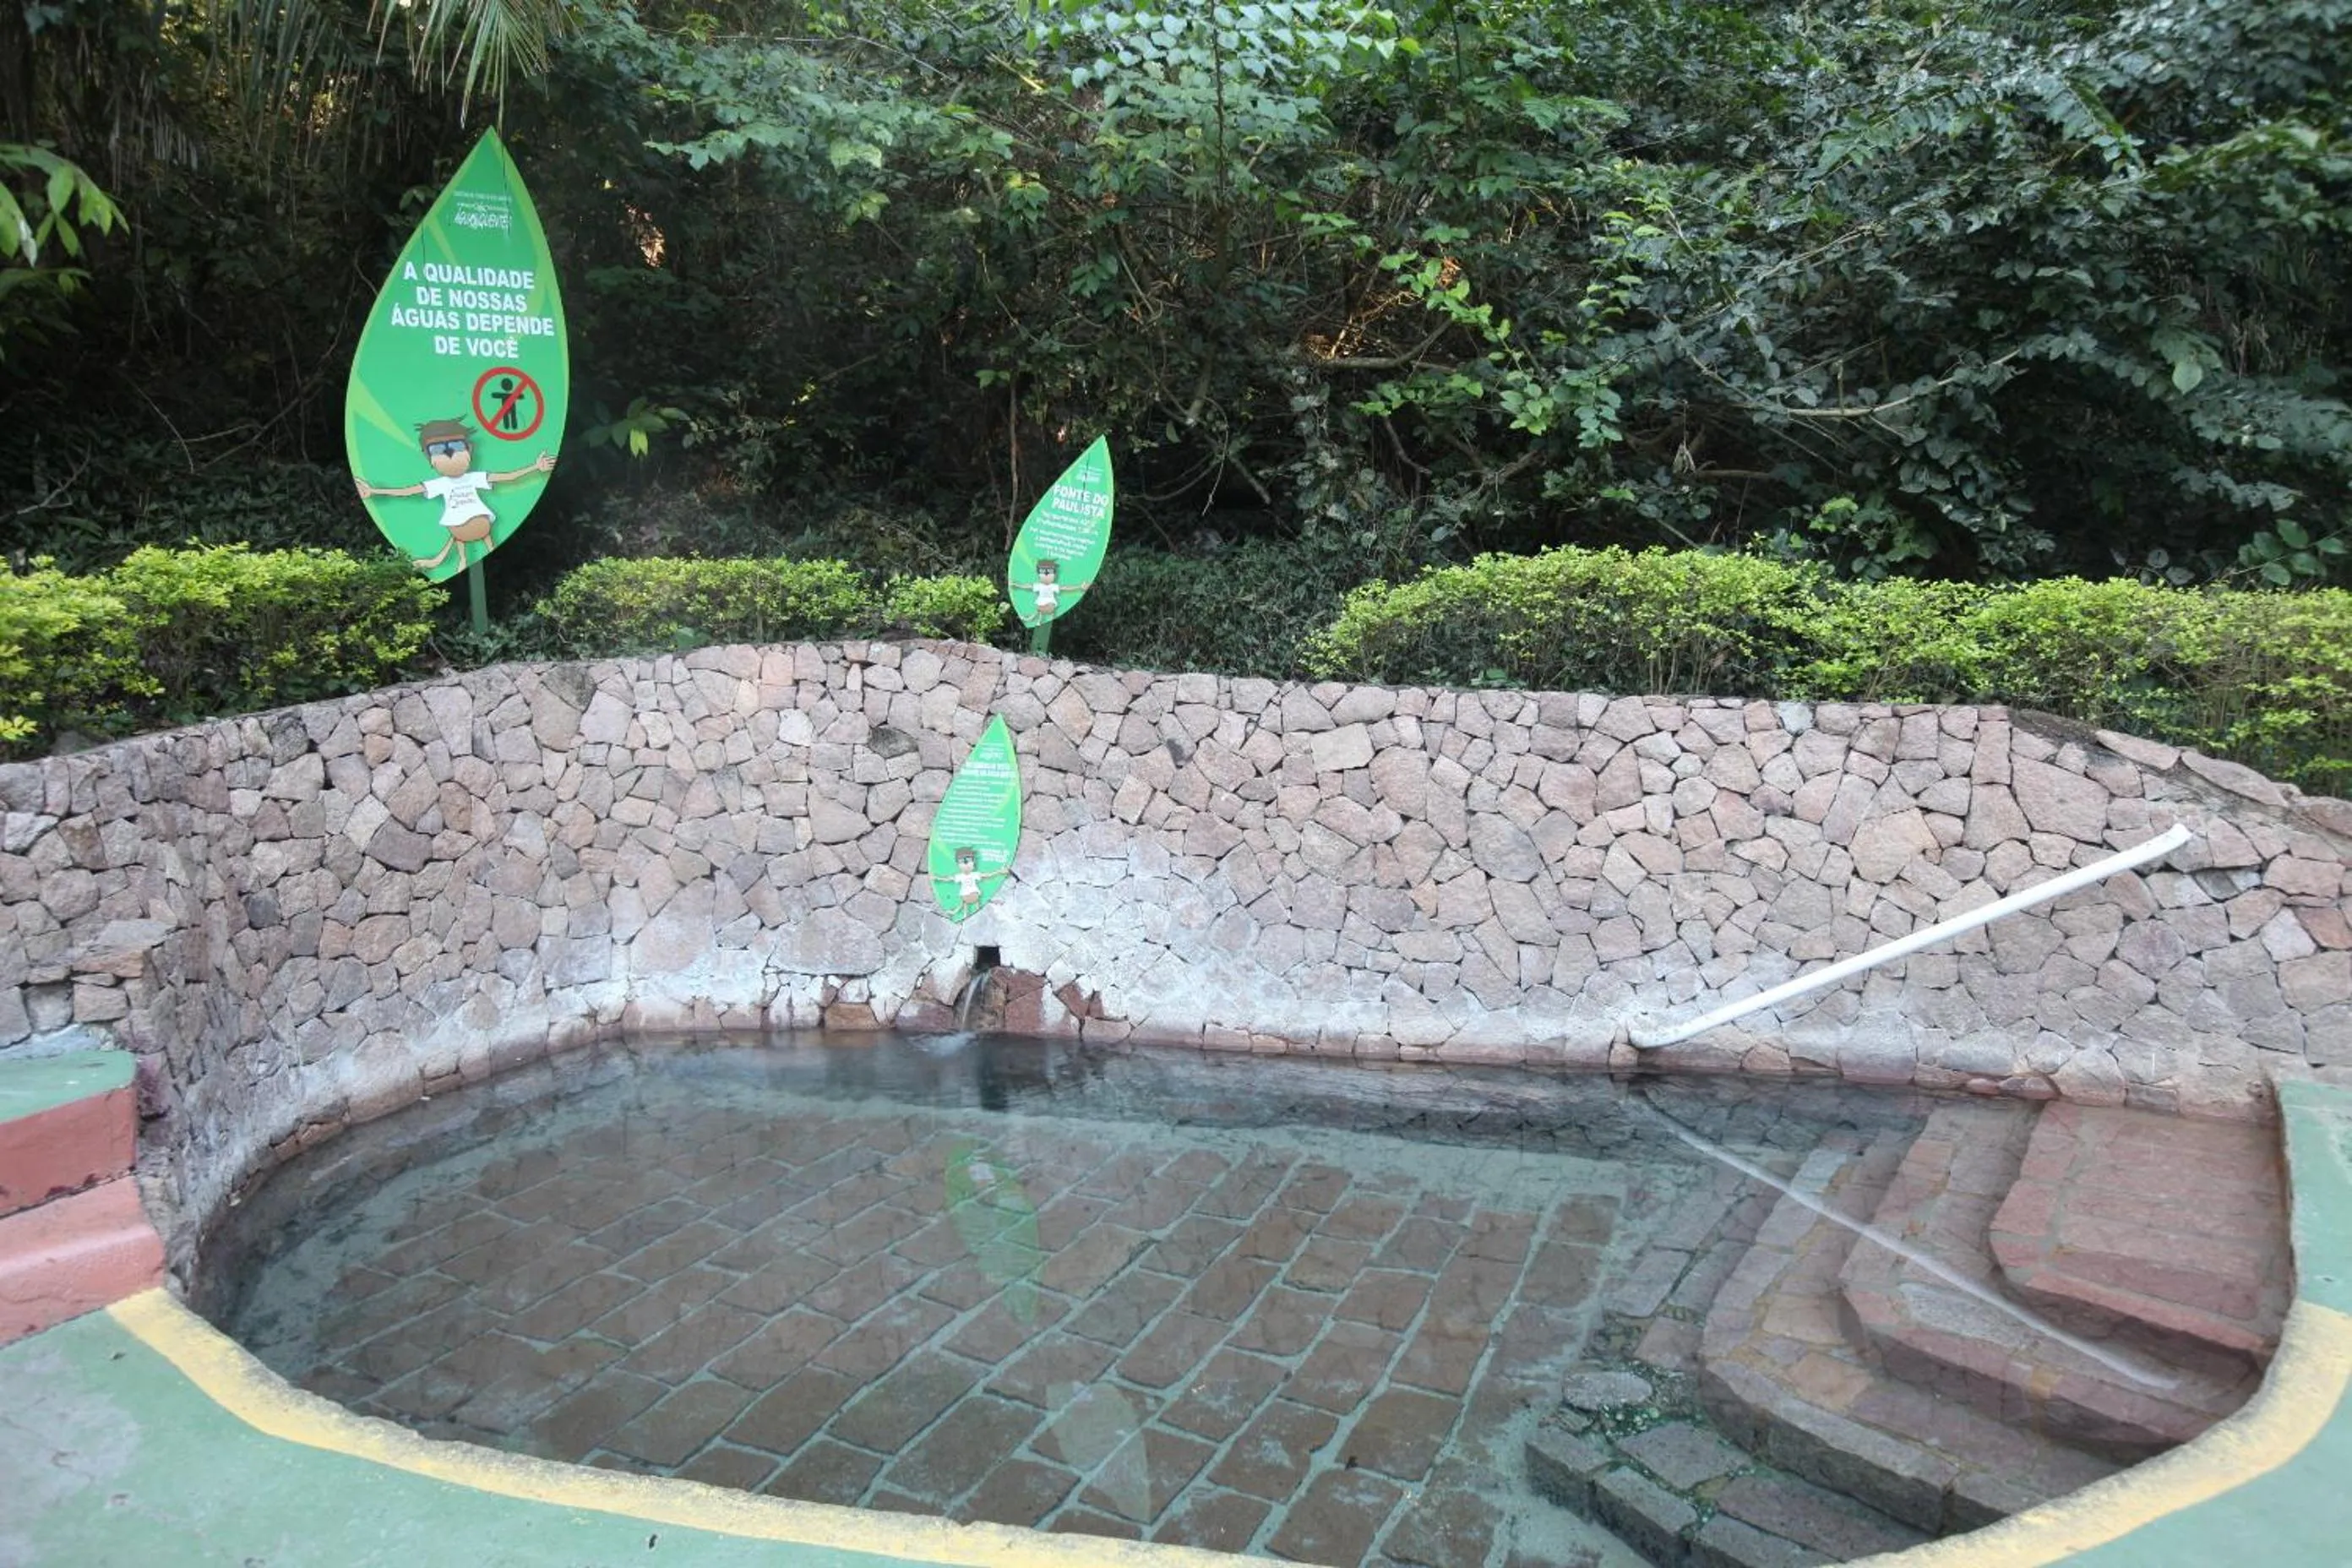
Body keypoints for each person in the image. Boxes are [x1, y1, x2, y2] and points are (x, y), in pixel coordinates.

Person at [355, 417, 555, 572]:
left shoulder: (475, 478)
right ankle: (460, 560)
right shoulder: (440, 484)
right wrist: (374, 491)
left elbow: (508, 477)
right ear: (429, 457)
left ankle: (457, 559)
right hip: (459, 528)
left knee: (475, 539)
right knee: (459, 536)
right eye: (438, 449)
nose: (450, 453)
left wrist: (536, 467)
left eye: (457, 446)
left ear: (469, 449)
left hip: (479, 525)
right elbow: (407, 491)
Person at [933, 844, 1009, 920]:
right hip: (966, 896)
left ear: (973, 863)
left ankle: (965, 914)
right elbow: (949, 879)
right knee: (965, 907)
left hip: (973, 895)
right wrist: (938, 878)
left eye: (969, 861)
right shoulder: (960, 876)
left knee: (974, 907)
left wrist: (999, 872)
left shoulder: (974, 875)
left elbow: (988, 875)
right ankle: (961, 914)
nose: (966, 864)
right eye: (962, 862)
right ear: (958, 864)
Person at [1009, 556, 1092, 622]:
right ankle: (1032, 617)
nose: (1047, 576)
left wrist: (1079, 587)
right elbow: (1028, 586)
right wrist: (1016, 585)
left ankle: (1036, 615)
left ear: (1054, 575)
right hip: (1041, 601)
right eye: (1043, 573)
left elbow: (1066, 588)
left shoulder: (1053, 586)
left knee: (1050, 608)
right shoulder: (1039, 586)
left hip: (1050, 602)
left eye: (1050, 573)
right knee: (1041, 609)